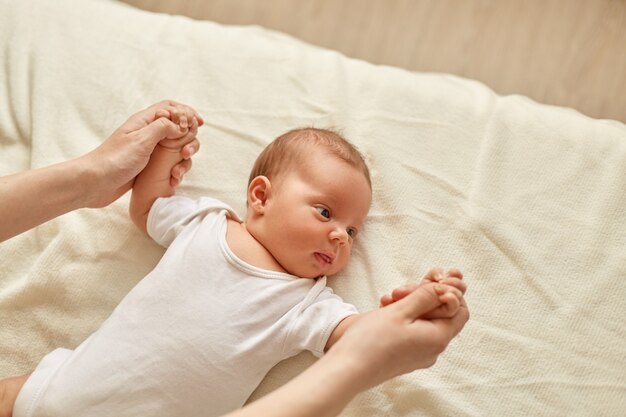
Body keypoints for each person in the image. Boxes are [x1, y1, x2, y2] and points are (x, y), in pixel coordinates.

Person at [0, 104, 469, 417]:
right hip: (55, 392)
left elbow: (363, 340)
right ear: (261, 196)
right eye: (325, 212)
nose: (339, 236)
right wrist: (166, 148)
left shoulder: (306, 304)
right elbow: (147, 208)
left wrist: (419, 304)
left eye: (351, 230)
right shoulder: (206, 223)